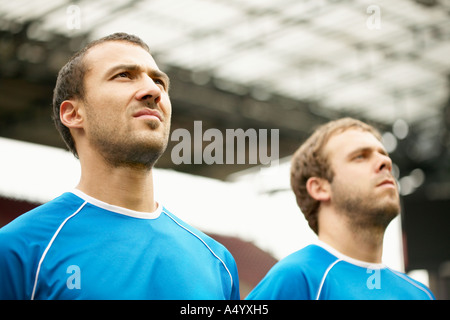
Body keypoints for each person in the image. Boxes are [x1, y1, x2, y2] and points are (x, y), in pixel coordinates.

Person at [0, 33, 240, 300]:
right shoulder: (17, 251)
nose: (153, 91)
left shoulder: (218, 263)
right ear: (73, 113)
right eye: (124, 75)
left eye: (158, 81)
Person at [246, 117, 434, 300]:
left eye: (383, 154)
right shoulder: (296, 279)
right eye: (360, 156)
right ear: (320, 188)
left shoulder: (420, 294)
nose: (386, 163)